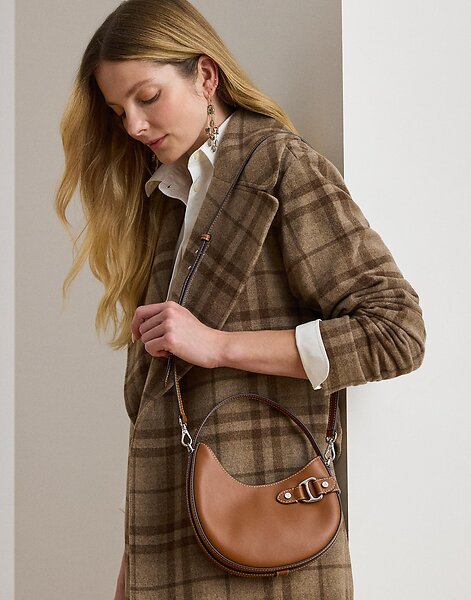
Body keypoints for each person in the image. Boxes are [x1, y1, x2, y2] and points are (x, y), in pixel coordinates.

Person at [55, 1, 426, 599]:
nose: (134, 126)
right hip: (174, 548)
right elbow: (159, 412)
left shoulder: (280, 168)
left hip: (270, 548)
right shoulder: (168, 200)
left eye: (148, 97)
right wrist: (132, 569)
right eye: (119, 111)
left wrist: (218, 345)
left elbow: (396, 333)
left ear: (206, 76)